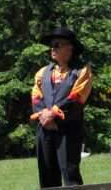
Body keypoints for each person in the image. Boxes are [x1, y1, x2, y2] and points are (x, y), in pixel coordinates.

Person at [31, 27, 93, 188]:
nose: (53, 48)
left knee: (69, 171)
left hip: (69, 127)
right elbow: (36, 97)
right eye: (52, 45)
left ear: (70, 48)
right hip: (44, 126)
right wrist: (44, 116)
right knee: (46, 172)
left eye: (57, 45)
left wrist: (53, 114)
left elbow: (77, 98)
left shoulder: (82, 70)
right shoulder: (43, 72)